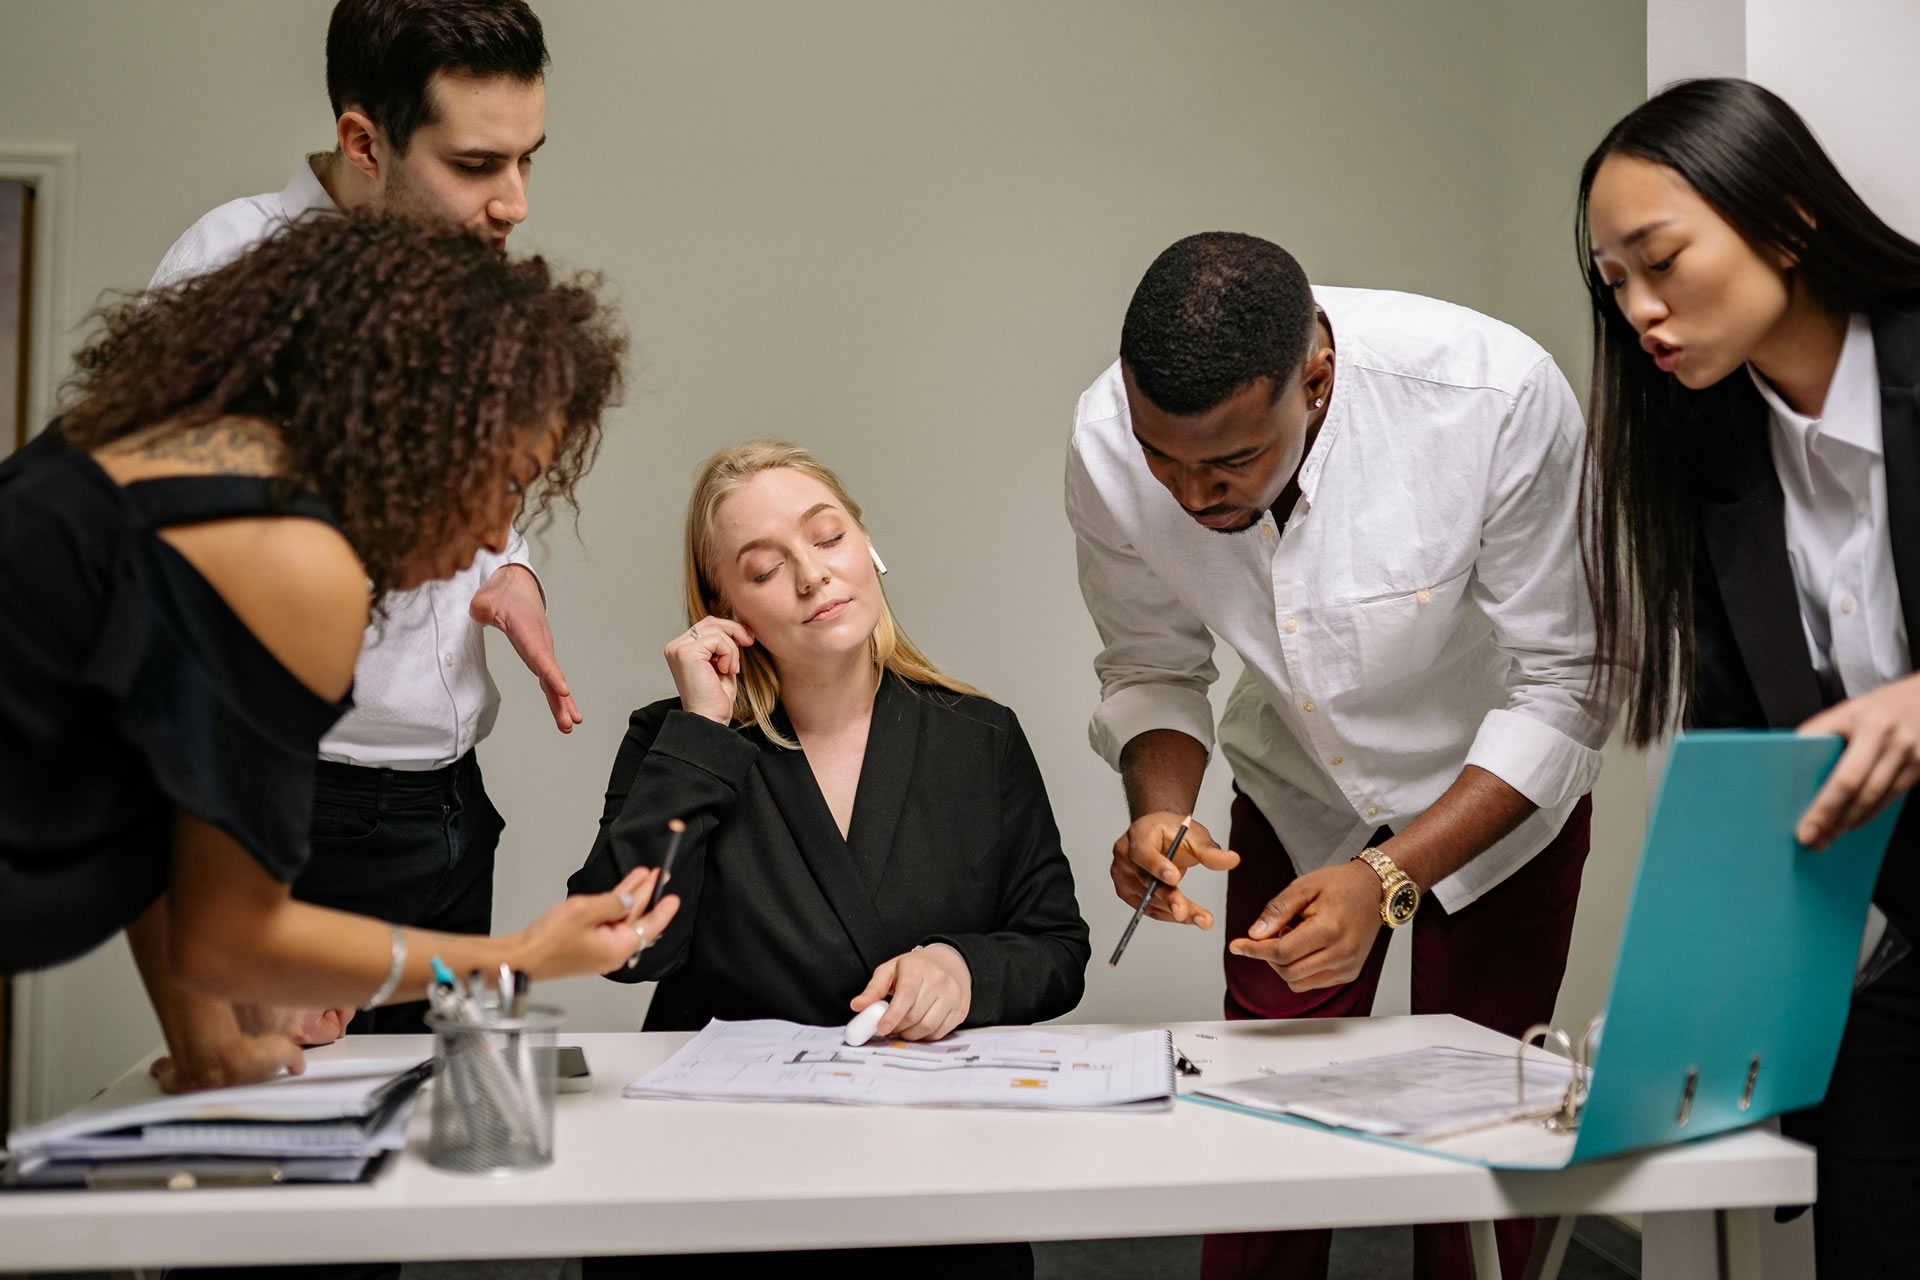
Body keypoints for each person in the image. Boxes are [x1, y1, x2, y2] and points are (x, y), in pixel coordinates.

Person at [0, 213, 674, 1095]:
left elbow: (156, 804)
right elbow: (229, 937)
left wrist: (209, 1051)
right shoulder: (296, 562)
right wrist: (517, 959)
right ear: (418, 420)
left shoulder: (175, 460)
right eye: (508, 480)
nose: (497, 533)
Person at [1066, 233, 1613, 1280]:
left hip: (1493, 793)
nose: (1189, 494)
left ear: (1316, 379)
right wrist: (1162, 809)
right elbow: (1150, 660)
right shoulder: (1102, 439)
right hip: (1298, 780)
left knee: (1486, 1131)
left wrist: (1391, 880)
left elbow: (1567, 684)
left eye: (1229, 463)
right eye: (1163, 460)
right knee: (1268, 1123)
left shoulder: (1490, 394)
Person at [569, 440, 1090, 1279]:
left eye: (828, 535)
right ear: (723, 607)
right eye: (766, 567)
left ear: (868, 546)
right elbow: (625, 947)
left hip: (926, 1171)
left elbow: (1057, 948)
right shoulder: (674, 741)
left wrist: (962, 967)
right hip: (718, 1179)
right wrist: (701, 731)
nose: (814, 576)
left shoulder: (979, 736)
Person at [147, 0, 563, 1044]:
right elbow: (162, 589)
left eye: (529, 158)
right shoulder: (232, 272)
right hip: (301, 810)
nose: (514, 203)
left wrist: (512, 568)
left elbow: (470, 496)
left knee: (433, 1150)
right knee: (292, 1157)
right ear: (363, 141)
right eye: (477, 164)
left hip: (453, 801)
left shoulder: (466, 263)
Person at [1579, 77, 1920, 1278]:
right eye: (1613, 282)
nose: (1640, 308)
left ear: (1785, 219)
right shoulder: (1713, 453)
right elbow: (1749, 762)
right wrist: (1672, 1017)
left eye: (1659, 258)